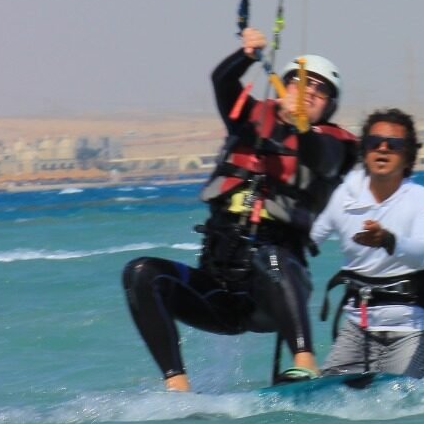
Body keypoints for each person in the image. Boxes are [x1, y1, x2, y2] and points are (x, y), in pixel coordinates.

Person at [122, 28, 357, 390]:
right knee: (140, 273)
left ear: (330, 105)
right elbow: (222, 80)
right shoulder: (248, 119)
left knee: (271, 258)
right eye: (301, 83)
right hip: (218, 291)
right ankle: (177, 386)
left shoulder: (335, 144)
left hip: (272, 293)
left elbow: (320, 158)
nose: (310, 91)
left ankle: (305, 362)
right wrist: (246, 54)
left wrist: (302, 127)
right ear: (284, 87)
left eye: (321, 90)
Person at [311, 108, 424, 378]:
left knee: (401, 400)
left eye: (394, 145)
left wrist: (388, 240)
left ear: (408, 156)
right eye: (374, 143)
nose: (383, 149)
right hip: (358, 325)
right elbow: (308, 242)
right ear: (364, 151)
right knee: (331, 397)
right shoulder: (343, 197)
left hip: (413, 326)